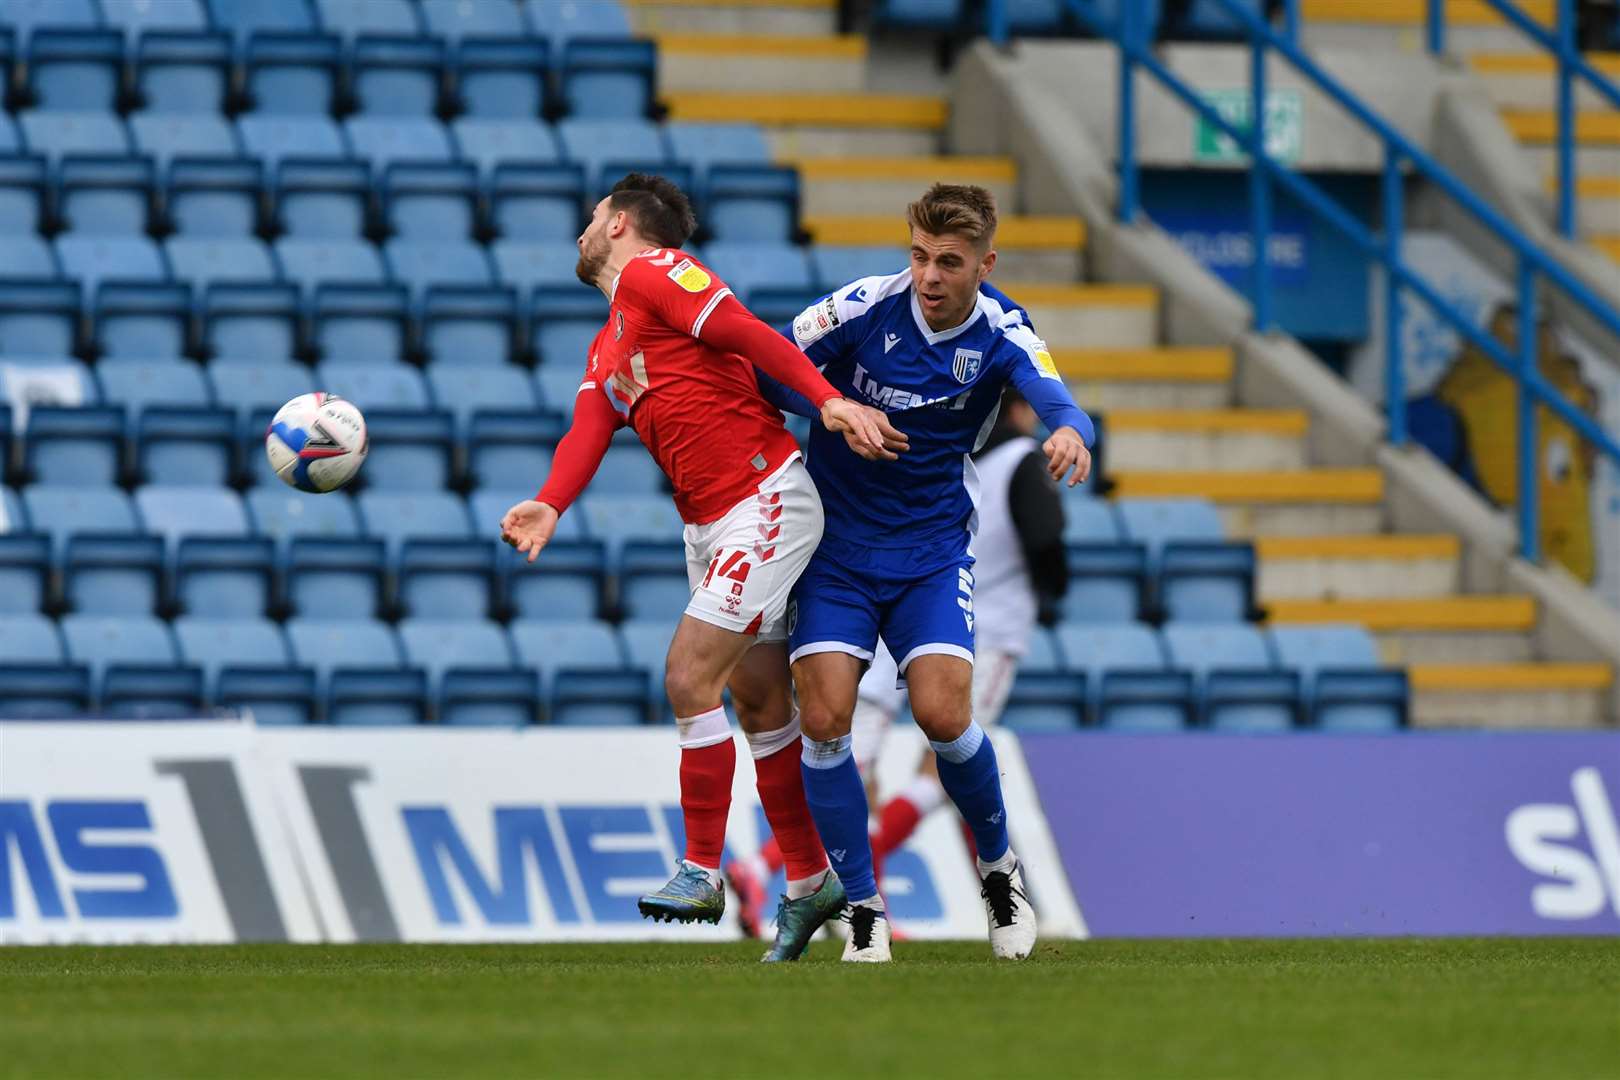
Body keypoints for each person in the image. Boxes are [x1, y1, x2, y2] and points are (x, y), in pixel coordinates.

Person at [498, 174, 903, 961]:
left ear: (618, 224)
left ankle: (702, 867)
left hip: (764, 499)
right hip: (709, 528)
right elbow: (589, 425)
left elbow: (751, 334)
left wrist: (824, 401)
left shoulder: (661, 272)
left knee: (688, 676)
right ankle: (807, 882)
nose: (582, 231)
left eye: (590, 219)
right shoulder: (611, 335)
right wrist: (551, 502)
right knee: (758, 704)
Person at [758, 183, 1094, 961]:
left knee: (944, 717)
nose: (930, 276)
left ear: (985, 262)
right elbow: (770, 363)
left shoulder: (1004, 329)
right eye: (919, 256)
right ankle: (865, 913)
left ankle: (999, 872)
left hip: (931, 553)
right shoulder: (864, 308)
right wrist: (834, 406)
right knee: (827, 718)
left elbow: (1056, 396)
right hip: (835, 554)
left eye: (949, 261)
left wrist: (1070, 433)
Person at [727, 388, 1069, 932]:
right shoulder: (1020, 461)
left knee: (856, 766)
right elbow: (1047, 539)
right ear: (1021, 410)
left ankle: (811, 884)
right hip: (976, 624)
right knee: (941, 763)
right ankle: (813, 870)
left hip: (897, 607)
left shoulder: (952, 459)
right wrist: (1053, 590)